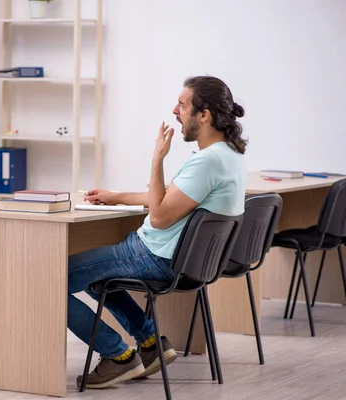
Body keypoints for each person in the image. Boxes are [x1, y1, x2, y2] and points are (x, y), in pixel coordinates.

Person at [70, 75, 248, 389]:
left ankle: (118, 357)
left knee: (51, 280)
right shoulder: (229, 157)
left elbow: (160, 217)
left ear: (203, 115)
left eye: (182, 104)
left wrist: (157, 160)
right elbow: (169, 200)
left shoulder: (207, 162)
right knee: (98, 280)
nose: (175, 110)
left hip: (154, 257)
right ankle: (151, 344)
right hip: (183, 262)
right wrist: (117, 196)